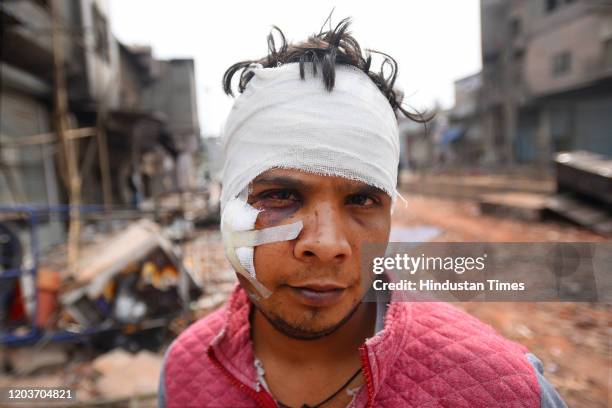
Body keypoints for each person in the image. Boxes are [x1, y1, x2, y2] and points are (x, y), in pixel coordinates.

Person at [158, 17, 567, 408]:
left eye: (362, 200)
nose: (327, 245)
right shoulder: (185, 372)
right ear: (227, 203)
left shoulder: (505, 391)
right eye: (281, 195)